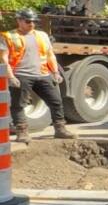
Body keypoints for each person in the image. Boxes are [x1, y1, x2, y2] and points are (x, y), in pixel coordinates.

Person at [2, 8, 75, 142]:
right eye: (28, 21)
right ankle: (22, 132)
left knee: (56, 101)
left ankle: (60, 129)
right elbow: (4, 58)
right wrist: (11, 76)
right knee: (19, 104)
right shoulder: (9, 36)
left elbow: (49, 55)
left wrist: (55, 72)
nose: (32, 24)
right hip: (21, 75)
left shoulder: (42, 35)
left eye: (34, 21)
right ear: (19, 20)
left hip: (42, 74)